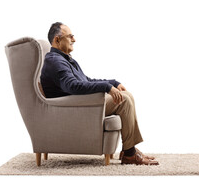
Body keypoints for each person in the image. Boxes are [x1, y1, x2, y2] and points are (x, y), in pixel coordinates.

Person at [40, 22, 158, 165]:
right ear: (57, 40)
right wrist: (106, 87)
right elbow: (72, 86)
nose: (74, 40)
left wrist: (113, 83)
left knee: (127, 95)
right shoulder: (55, 61)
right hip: (74, 108)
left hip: (83, 103)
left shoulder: (65, 59)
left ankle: (129, 150)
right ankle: (130, 154)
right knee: (124, 100)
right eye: (70, 36)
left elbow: (86, 80)